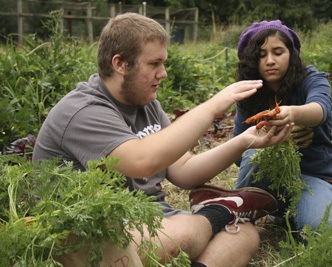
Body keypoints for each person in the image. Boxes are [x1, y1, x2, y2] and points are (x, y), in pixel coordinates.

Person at [32, 13, 294, 267]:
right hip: (95, 231)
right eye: (154, 64)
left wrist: (242, 141)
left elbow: (182, 171)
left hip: (157, 220)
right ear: (120, 64)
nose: (164, 73)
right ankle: (221, 213)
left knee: (246, 236)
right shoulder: (84, 110)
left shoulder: (146, 104)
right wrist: (213, 106)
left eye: (163, 63)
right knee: (175, 238)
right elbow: (141, 160)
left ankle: (211, 224)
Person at [232, 20, 332, 234]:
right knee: (253, 153)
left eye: (278, 52)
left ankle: (298, 212)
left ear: (291, 53)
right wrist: (269, 140)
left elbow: (321, 109)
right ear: (252, 60)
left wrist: (292, 114)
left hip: (312, 178)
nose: (270, 61)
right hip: (266, 182)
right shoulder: (248, 92)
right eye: (261, 55)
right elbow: (238, 155)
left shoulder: (312, 79)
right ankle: (240, 213)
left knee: (323, 231)